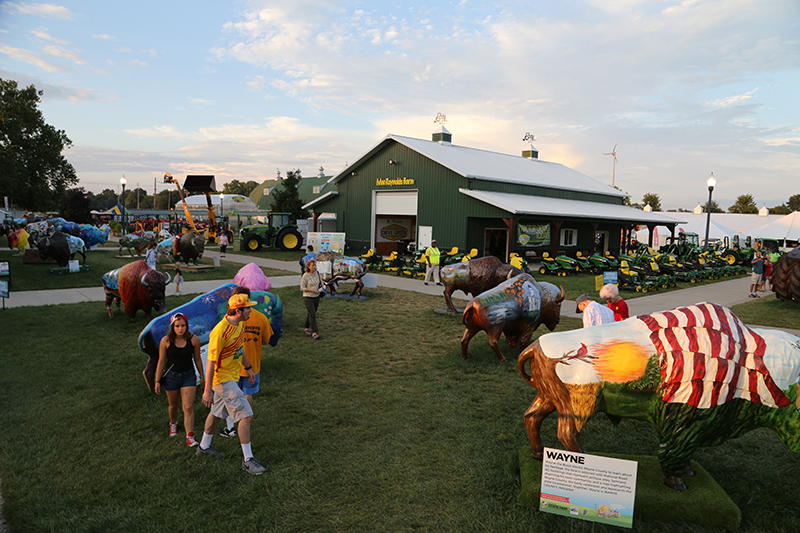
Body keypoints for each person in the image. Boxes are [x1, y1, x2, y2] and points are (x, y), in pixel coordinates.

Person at [196, 294, 266, 475]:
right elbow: (210, 363)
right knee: (245, 416)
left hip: (232, 376)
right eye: (248, 308)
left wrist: (248, 367)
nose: (251, 310)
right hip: (222, 379)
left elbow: (238, 348)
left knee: (217, 412)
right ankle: (248, 459)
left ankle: (204, 447)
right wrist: (207, 391)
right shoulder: (220, 332)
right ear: (237, 311)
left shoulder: (240, 324)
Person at [219, 286, 274, 438]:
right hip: (253, 364)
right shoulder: (260, 317)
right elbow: (267, 340)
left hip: (234, 365)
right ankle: (246, 422)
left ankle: (231, 426)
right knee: (248, 393)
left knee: (231, 396)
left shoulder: (231, 319)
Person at [154, 312, 203, 447]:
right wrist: (157, 381)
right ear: (172, 327)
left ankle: (189, 436)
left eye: (183, 326)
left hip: (188, 375)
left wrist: (202, 376)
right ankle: (173, 422)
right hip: (171, 377)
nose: (180, 329)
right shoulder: (166, 341)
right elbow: (161, 361)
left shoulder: (194, 340)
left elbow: (198, 359)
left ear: (187, 326)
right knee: (173, 405)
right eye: (177, 326)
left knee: (188, 407)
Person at [301, 259, 322, 340]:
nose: (314, 267)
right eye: (312, 265)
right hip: (308, 297)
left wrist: (321, 289)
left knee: (311, 313)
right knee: (312, 314)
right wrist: (312, 290)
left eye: (315, 265)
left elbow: (321, 283)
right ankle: (315, 332)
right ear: (308, 266)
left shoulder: (317, 274)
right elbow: (302, 288)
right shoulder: (305, 276)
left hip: (316, 296)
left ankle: (306, 327)